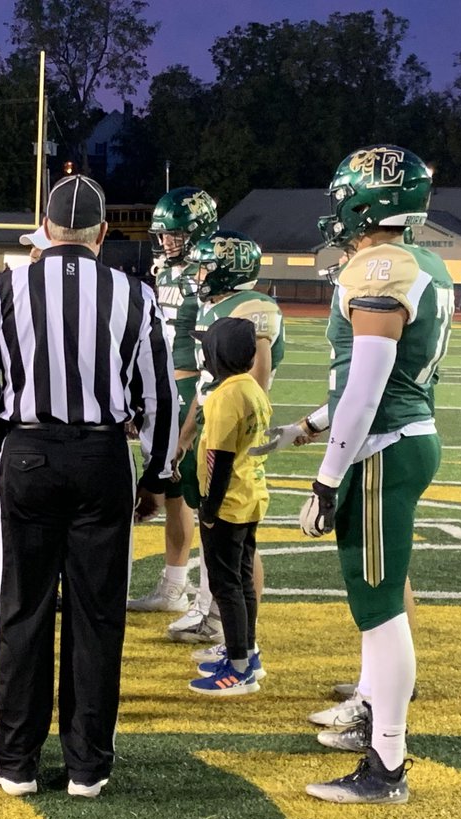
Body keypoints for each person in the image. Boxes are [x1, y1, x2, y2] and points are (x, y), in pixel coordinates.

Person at [0, 174, 178, 798]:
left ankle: (16, 761)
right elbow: (159, 395)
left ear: (46, 230)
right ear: (102, 234)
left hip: (27, 455)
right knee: (98, 616)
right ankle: (88, 766)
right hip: (104, 457)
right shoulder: (135, 294)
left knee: (21, 610)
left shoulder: (4, 289)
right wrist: (156, 476)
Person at [269, 145, 451, 803]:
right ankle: (374, 715)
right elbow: (367, 380)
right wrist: (313, 425)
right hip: (400, 436)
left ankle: (386, 766)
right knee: (383, 596)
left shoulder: (379, 267)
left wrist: (326, 474)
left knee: (377, 608)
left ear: (367, 202)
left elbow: (369, 387)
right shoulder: (421, 260)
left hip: (381, 445)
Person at [168, 230, 284, 647]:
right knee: (223, 548)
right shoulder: (214, 306)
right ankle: (217, 617)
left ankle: (236, 637)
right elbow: (208, 381)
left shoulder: (255, 306)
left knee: (235, 547)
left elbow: (255, 381)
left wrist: (229, 424)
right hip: (216, 424)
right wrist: (185, 433)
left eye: (205, 266)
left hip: (236, 443)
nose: (198, 275)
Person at [128, 186, 218, 615]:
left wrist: (191, 416)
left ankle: (210, 597)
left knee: (208, 499)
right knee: (175, 490)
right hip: (164, 386)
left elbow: (207, 349)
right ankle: (173, 586)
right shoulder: (165, 270)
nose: (166, 241)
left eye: (175, 234)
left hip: (192, 386)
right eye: (162, 234)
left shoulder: (205, 273)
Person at [0, 226, 56, 613]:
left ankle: (37, 588)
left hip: (36, 421)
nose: (33, 255)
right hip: (14, 417)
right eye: (32, 249)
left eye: (39, 248)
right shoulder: (9, 292)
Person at [187, 316, 271, 696]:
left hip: (228, 501)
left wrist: (208, 508)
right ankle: (247, 652)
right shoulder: (251, 388)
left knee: (226, 585)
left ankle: (238, 669)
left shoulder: (224, 395)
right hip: (250, 494)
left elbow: (218, 458)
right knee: (241, 581)